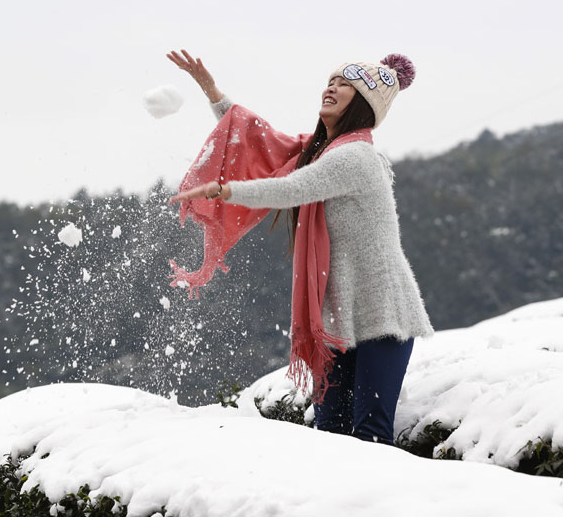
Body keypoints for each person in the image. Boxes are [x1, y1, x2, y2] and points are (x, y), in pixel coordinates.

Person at [166, 49, 433, 446]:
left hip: (384, 315)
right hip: (339, 319)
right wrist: (212, 92)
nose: (331, 88)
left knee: (370, 436)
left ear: (364, 103)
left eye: (345, 85)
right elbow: (260, 141)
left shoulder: (356, 157)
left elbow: (293, 188)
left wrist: (226, 190)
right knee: (330, 436)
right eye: (331, 81)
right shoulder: (319, 152)